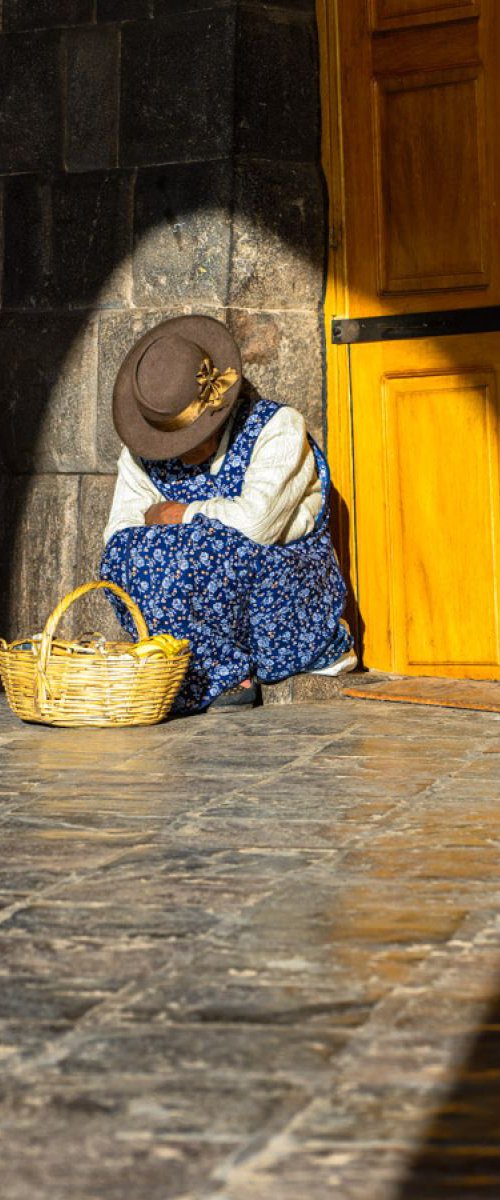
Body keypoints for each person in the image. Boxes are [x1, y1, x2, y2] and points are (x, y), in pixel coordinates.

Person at [100, 314, 356, 714]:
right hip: (193, 609)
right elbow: (120, 535)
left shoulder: (277, 428)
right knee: (123, 555)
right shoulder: (139, 456)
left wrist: (179, 514)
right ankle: (190, 667)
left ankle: (228, 672)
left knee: (209, 544)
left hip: (277, 602)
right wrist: (182, 535)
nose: (180, 451)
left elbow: (256, 525)